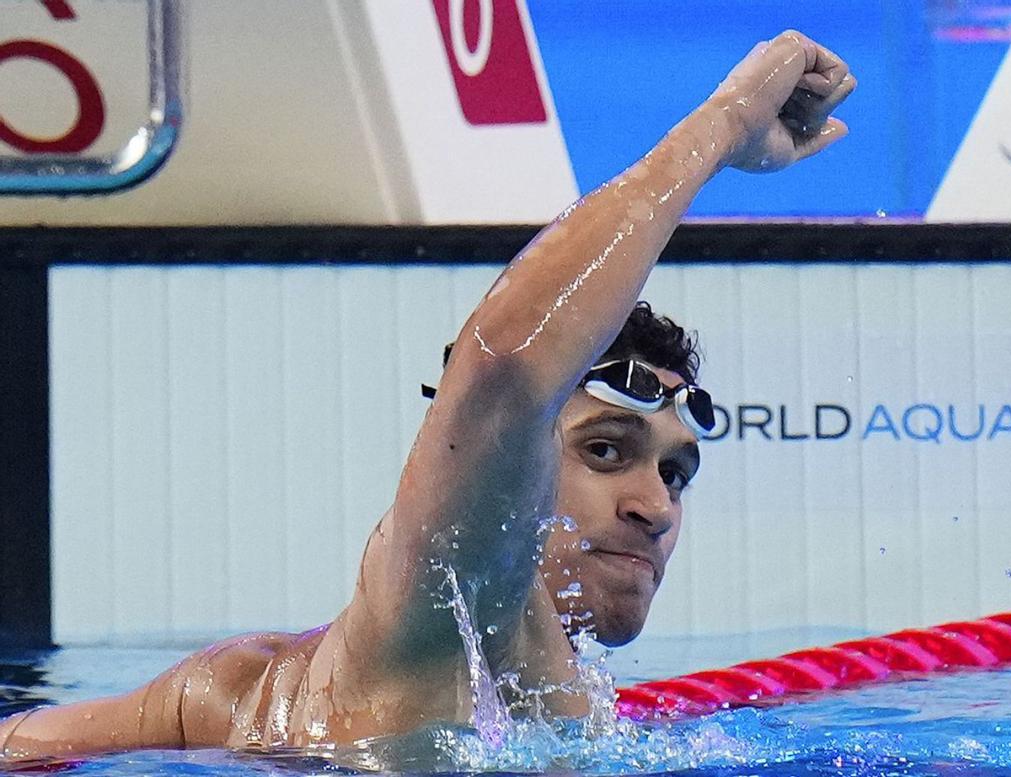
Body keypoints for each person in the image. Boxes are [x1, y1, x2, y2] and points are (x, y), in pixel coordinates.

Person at [0, 29, 854, 761]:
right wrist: (722, 128)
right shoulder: (448, 617)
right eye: (605, 451)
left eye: (674, 474)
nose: (654, 507)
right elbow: (504, 366)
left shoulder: (259, 684)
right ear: (512, 456)